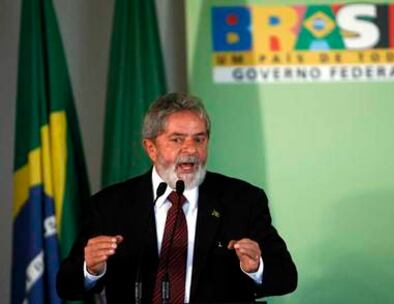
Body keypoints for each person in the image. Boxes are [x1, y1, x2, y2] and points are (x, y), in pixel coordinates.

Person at [57, 93, 297, 303]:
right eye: (177, 139)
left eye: (199, 139)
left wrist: (256, 267)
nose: (191, 149)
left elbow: (286, 278)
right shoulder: (110, 205)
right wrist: (91, 268)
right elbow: (67, 286)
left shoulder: (242, 200)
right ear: (151, 148)